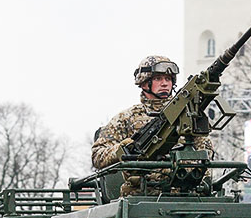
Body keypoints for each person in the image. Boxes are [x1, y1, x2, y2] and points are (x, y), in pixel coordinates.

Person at [91, 55, 215, 196]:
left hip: (187, 197)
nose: (164, 83)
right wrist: (123, 150)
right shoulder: (126, 118)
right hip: (141, 199)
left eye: (168, 79)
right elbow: (98, 156)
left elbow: (205, 153)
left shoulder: (187, 116)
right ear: (144, 83)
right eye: (158, 79)